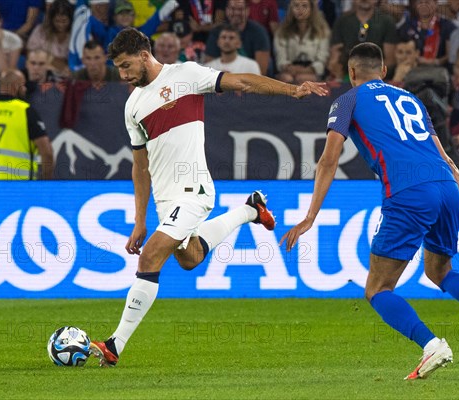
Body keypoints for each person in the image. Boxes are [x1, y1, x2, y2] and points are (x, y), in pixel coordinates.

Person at [280, 42, 459, 380]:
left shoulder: (347, 99)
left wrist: (310, 216)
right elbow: (447, 159)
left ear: (351, 72)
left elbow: (328, 159)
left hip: (408, 192)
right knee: (439, 271)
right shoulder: (411, 99)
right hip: (445, 188)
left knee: (377, 289)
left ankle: (431, 345)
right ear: (384, 71)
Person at [88, 27, 327, 367]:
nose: (123, 75)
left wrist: (292, 90)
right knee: (190, 258)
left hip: (195, 191)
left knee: (150, 258)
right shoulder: (133, 106)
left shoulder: (185, 74)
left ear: (144, 55)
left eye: (127, 66)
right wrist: (140, 219)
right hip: (166, 200)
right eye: (119, 69)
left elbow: (242, 82)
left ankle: (115, 344)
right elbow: (139, 167)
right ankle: (250, 210)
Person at [0, 70, 53, 180]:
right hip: (19, 190)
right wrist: (46, 185)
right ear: (15, 87)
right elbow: (47, 152)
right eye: (23, 85)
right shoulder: (25, 111)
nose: (25, 89)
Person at [204, 0, 271, 75]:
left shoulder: (259, 31)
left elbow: (261, 73)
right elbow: (209, 71)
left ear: (248, 10)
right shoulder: (216, 31)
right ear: (227, 10)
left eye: (240, 9)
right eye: (232, 9)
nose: (236, 12)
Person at [274, 0, 330, 83]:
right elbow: (281, 58)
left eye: (304, 6)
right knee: (287, 78)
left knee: (304, 79)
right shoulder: (282, 31)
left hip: (312, 70)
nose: (300, 9)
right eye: (296, 6)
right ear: (291, 8)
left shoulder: (322, 31)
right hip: (288, 70)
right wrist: (289, 68)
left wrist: (307, 70)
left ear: (311, 8)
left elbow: (322, 58)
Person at [26, 0, 74, 80]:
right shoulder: (40, 31)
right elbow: (30, 54)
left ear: (70, 20)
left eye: (64, 21)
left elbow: (69, 64)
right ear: (52, 19)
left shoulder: (75, 35)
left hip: (67, 75)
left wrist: (46, 56)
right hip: (43, 72)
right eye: (57, 21)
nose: (61, 25)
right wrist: (53, 61)